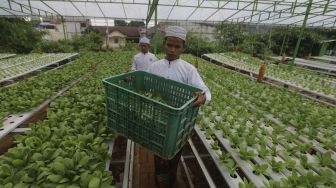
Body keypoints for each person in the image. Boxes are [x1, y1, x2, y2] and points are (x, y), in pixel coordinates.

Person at [147, 26, 211, 188]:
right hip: (158, 118)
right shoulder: (155, 66)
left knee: (174, 153)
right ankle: (161, 181)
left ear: (184, 48)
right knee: (159, 154)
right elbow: (146, 86)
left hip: (179, 123)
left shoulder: (189, 69)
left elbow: (204, 92)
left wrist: (203, 98)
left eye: (177, 46)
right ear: (164, 44)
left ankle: (171, 178)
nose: (173, 50)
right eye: (170, 45)